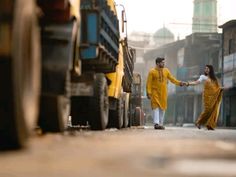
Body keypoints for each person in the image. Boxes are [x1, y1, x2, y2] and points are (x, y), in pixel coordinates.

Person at [146, 57, 186, 130]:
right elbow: (149, 83)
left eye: (164, 62)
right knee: (156, 107)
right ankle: (156, 123)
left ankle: (160, 124)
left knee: (163, 108)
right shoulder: (152, 72)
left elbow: (172, 79)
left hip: (164, 93)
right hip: (155, 93)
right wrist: (148, 92)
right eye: (162, 62)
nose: (164, 64)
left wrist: (179, 83)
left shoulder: (166, 71)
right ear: (158, 63)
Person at [186, 65, 223, 130]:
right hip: (207, 97)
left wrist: (221, 89)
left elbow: (217, 88)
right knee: (208, 110)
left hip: (214, 96)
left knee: (214, 110)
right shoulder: (203, 77)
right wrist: (188, 83)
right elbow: (196, 82)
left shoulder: (214, 79)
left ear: (210, 70)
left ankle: (210, 125)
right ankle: (199, 122)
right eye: (205, 68)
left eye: (207, 68)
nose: (206, 70)